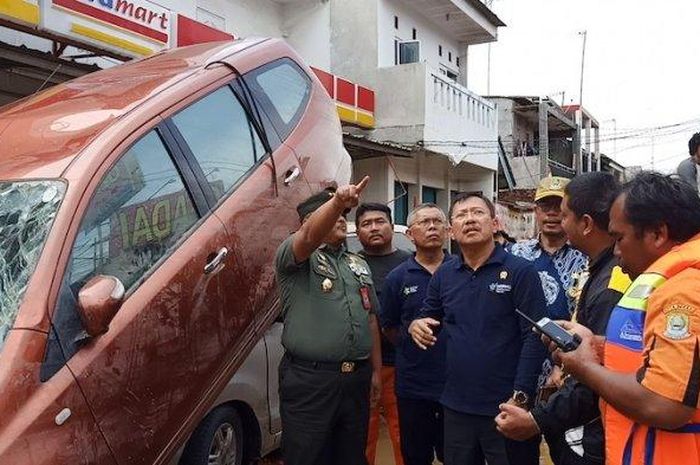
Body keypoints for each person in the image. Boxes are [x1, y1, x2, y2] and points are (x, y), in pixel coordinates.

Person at [548, 172, 700, 465]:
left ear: (657, 234)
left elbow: (665, 404)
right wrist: (596, 345)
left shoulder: (683, 291)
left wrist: (584, 367)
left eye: (619, 238)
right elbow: (658, 356)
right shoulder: (672, 281)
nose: (616, 252)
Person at [495, 172, 630, 465]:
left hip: (586, 418)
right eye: (547, 207)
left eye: (564, 212)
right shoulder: (517, 255)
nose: (557, 218)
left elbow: (596, 374)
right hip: (544, 379)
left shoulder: (612, 282)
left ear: (586, 223)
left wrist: (536, 421)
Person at [409, 193, 547, 465]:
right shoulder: (444, 275)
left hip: (507, 406)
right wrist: (417, 325)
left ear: (495, 224)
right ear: (451, 230)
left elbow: (535, 336)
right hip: (456, 406)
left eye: (477, 213)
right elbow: (429, 318)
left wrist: (521, 395)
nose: (470, 219)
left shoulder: (521, 271)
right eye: (461, 215)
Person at [274, 178, 382, 465]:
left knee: (351, 455)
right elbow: (309, 238)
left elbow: (370, 318)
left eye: (342, 215)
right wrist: (336, 203)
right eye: (331, 213)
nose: (339, 219)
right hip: (311, 380)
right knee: (306, 455)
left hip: (355, 378)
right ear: (307, 221)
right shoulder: (295, 256)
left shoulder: (357, 263)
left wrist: (375, 371)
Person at [380, 203, 450, 465]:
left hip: (458, 385)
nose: (432, 227)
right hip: (414, 386)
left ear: (448, 230)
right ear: (410, 234)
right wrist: (410, 342)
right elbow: (388, 326)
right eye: (424, 222)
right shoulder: (397, 278)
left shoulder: (463, 272)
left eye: (437, 221)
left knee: (458, 455)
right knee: (415, 455)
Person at [355, 202, 411, 465]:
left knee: (405, 436)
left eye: (380, 221)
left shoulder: (410, 263)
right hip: (361, 367)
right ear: (357, 232)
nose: (374, 228)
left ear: (391, 225)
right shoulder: (351, 266)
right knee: (361, 437)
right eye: (366, 224)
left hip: (402, 365)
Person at [510, 176, 588, 321]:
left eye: (558, 206)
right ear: (536, 211)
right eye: (545, 206)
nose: (552, 213)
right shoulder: (516, 253)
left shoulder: (586, 257)